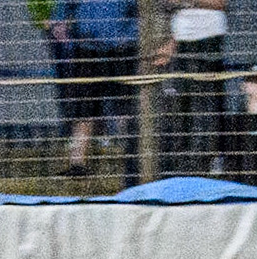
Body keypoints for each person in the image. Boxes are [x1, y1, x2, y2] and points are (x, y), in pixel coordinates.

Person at [51, 0, 140, 181]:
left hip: (122, 48)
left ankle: (133, 161)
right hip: (88, 47)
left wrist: (131, 33)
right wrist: (59, 23)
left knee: (125, 107)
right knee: (84, 108)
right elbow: (63, 7)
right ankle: (77, 164)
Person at [157, 0, 227, 175]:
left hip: (209, 42)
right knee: (179, 109)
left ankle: (201, 167)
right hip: (182, 43)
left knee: (205, 110)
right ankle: (177, 171)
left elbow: (221, 3)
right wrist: (172, 42)